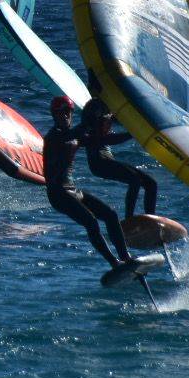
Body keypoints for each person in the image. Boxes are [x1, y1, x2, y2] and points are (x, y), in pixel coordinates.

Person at [44, 95, 139, 275]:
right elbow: (72, 134)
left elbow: (102, 140)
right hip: (57, 193)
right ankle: (114, 263)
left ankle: (126, 257)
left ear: (71, 113)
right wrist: (90, 119)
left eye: (67, 112)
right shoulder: (53, 136)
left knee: (110, 215)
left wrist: (132, 133)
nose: (64, 116)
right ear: (54, 115)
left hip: (72, 190)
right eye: (60, 113)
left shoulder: (73, 136)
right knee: (91, 222)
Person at [81, 78, 159, 220]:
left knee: (151, 184)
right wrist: (133, 133)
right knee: (134, 179)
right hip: (99, 162)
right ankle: (128, 220)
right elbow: (103, 139)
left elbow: (124, 119)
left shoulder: (108, 107)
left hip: (107, 159)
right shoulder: (92, 110)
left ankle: (151, 221)